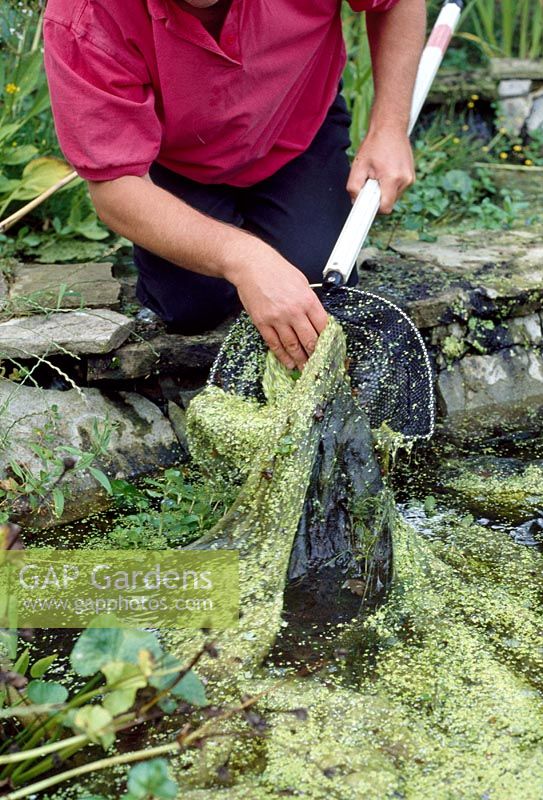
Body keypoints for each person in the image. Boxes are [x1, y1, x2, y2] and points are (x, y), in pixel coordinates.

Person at [44, 0, 426, 370]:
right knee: (193, 307)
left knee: (316, 286)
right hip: (178, 156)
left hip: (296, 121)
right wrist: (246, 260)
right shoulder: (83, 14)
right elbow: (116, 189)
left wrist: (390, 127)